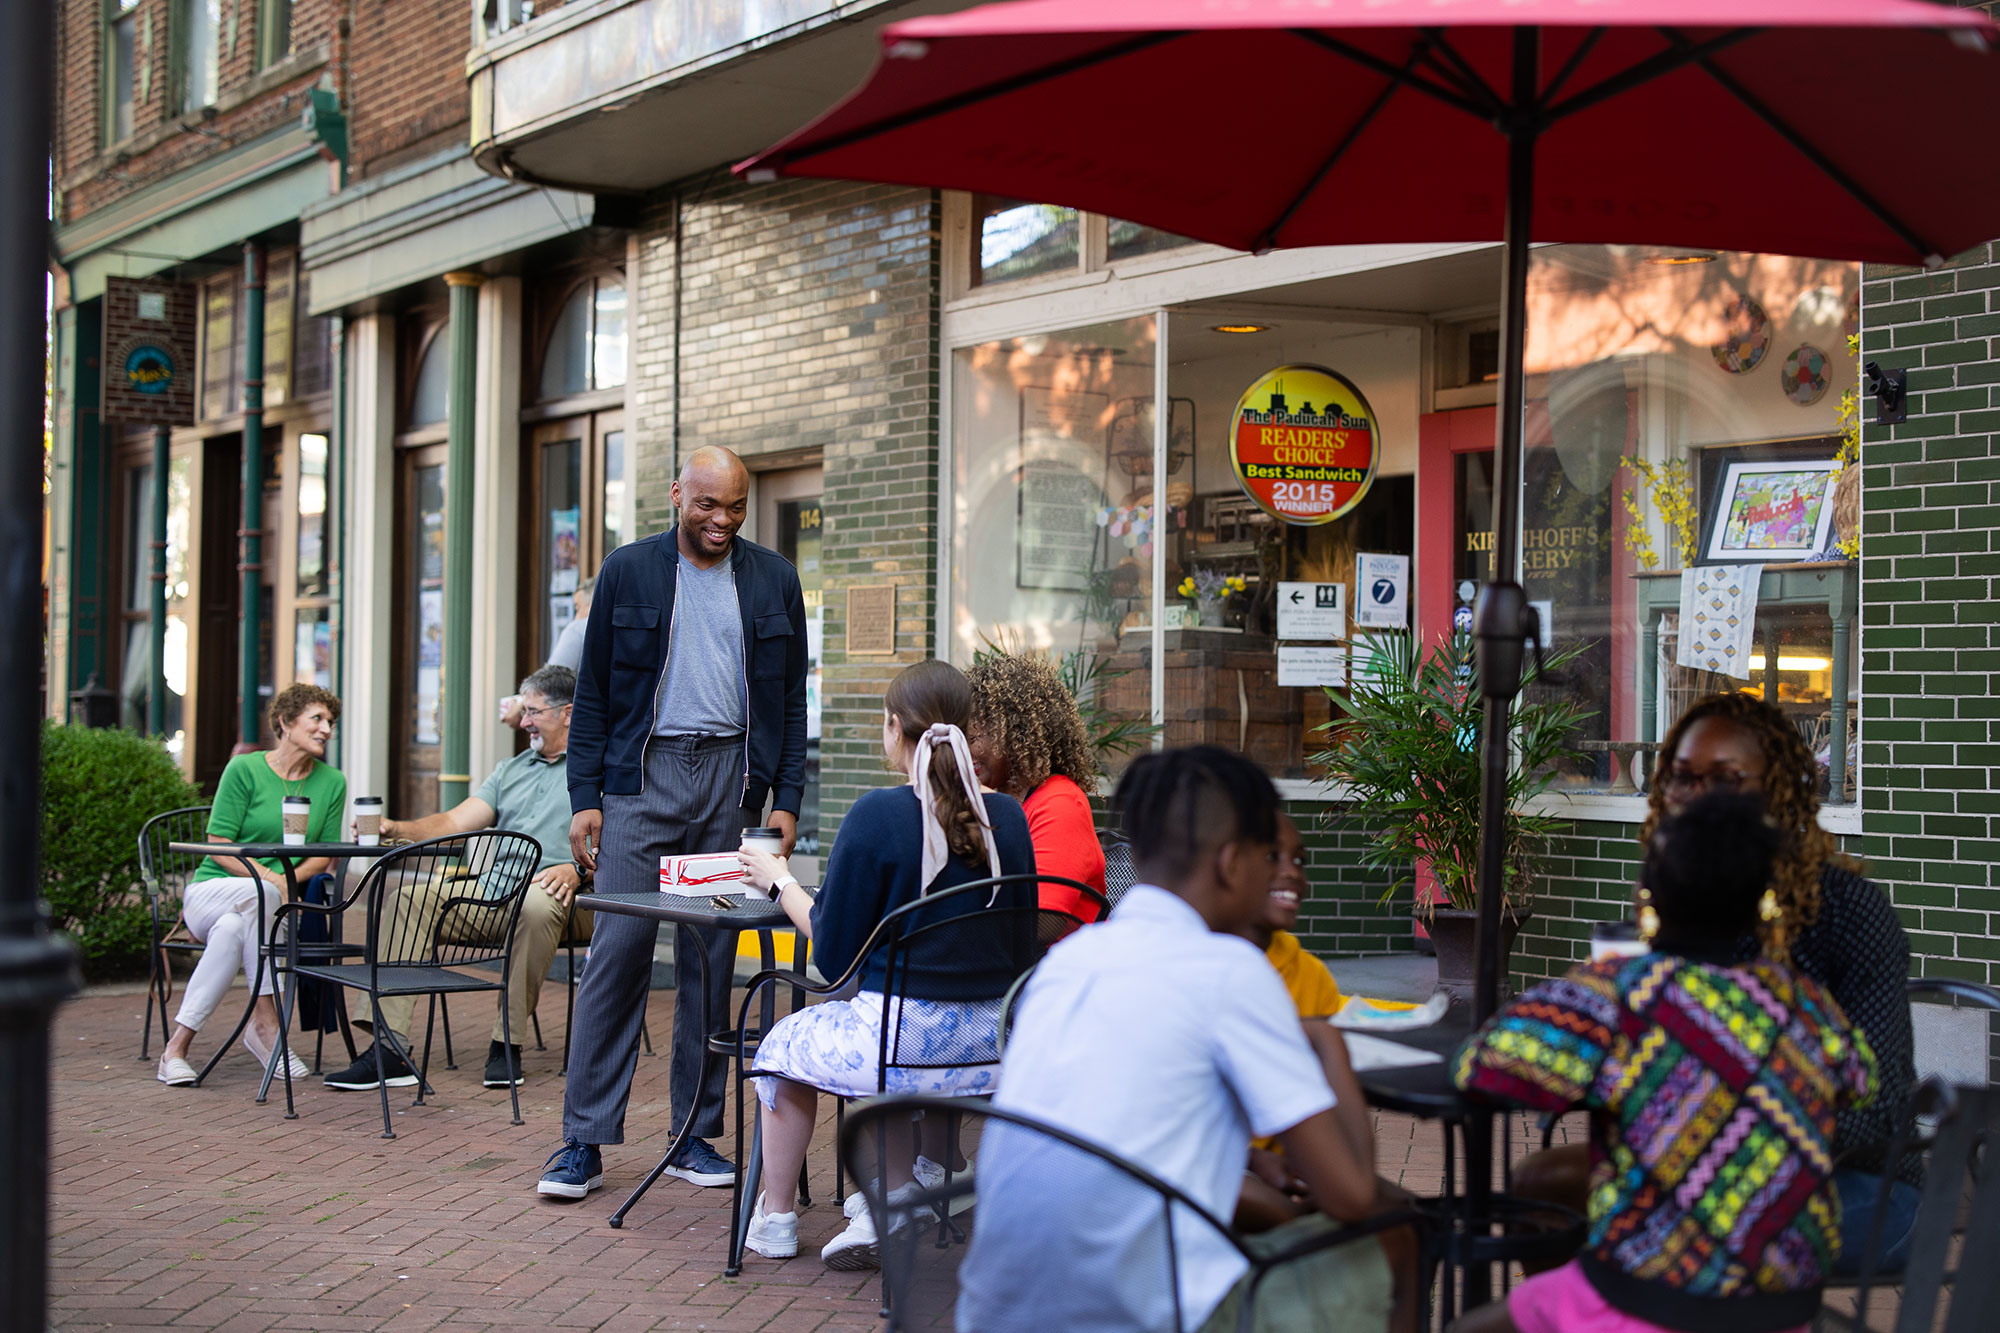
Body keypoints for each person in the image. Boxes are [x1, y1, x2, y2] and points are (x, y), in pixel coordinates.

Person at [958, 746, 1415, 1333]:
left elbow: (1114, 1114)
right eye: (1266, 855)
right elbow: (1349, 1196)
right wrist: (1329, 1044)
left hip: (999, 1314)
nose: (1277, 869)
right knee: (1395, 1235)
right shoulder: (1230, 969)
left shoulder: (1071, 960)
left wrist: (1248, 1158)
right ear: (1230, 864)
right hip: (1144, 1316)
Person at [1510, 691, 1919, 1278]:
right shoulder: (1681, 900)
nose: (1698, 797)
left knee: (1666, 1218)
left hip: (1856, 1178)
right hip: (1696, 1152)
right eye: (1683, 778)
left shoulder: (1849, 909)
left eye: (1725, 779)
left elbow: (1875, 1106)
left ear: (1775, 789)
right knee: (1540, 1183)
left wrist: (1715, 1140)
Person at [1449, 793, 1878, 1333]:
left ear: (1646, 896)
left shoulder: (1619, 994)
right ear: (1762, 903)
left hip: (1645, 1302)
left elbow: (1480, 1065)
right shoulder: (1807, 1004)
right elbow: (1860, 1079)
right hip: (1785, 1312)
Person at [537, 445, 809, 1201]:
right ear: (676, 496)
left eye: (735, 507)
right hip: (641, 780)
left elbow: (790, 703)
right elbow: (591, 696)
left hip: (731, 784)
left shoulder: (775, 580)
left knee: (708, 962)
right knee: (617, 953)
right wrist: (584, 793)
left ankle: (694, 1135)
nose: (721, 520)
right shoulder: (626, 571)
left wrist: (785, 800)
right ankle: (582, 1142)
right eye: (707, 504)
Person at [734, 659, 1038, 1268]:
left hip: (898, 1044)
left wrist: (777, 882)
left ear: (894, 727)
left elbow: (833, 955)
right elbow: (1021, 940)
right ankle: (893, 1198)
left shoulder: (877, 814)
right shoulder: (1006, 816)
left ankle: (775, 1221)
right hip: (993, 1045)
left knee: (780, 1047)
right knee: (888, 1034)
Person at [321, 665, 590, 1093]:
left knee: (537, 904)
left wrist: (577, 869)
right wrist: (397, 828)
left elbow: (628, 838)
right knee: (407, 899)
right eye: (524, 711)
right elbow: (453, 820)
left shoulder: (599, 769)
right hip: (493, 890)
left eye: (533, 712)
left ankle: (507, 1042)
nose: (523, 722)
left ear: (569, 713)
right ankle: (390, 1049)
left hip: (574, 897)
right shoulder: (510, 770)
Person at [154, 683, 344, 1088]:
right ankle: (265, 1022)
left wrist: (284, 883)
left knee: (232, 933)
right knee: (261, 898)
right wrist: (273, 878)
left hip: (263, 909)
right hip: (213, 890)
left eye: (330, 722)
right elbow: (218, 844)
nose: (327, 729)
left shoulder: (332, 782)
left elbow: (322, 854)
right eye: (317, 719)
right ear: (284, 723)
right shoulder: (244, 769)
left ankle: (175, 1050)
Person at [965, 652, 1106, 923]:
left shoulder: (1060, 804)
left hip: (1055, 961)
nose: (963, 749)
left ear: (1013, 734)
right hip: (992, 957)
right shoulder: (984, 798)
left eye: (971, 737)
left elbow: (1044, 922)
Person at [546, 575, 594, 672]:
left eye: (577, 608)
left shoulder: (577, 629)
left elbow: (553, 677)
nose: (575, 617)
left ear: (591, 605)